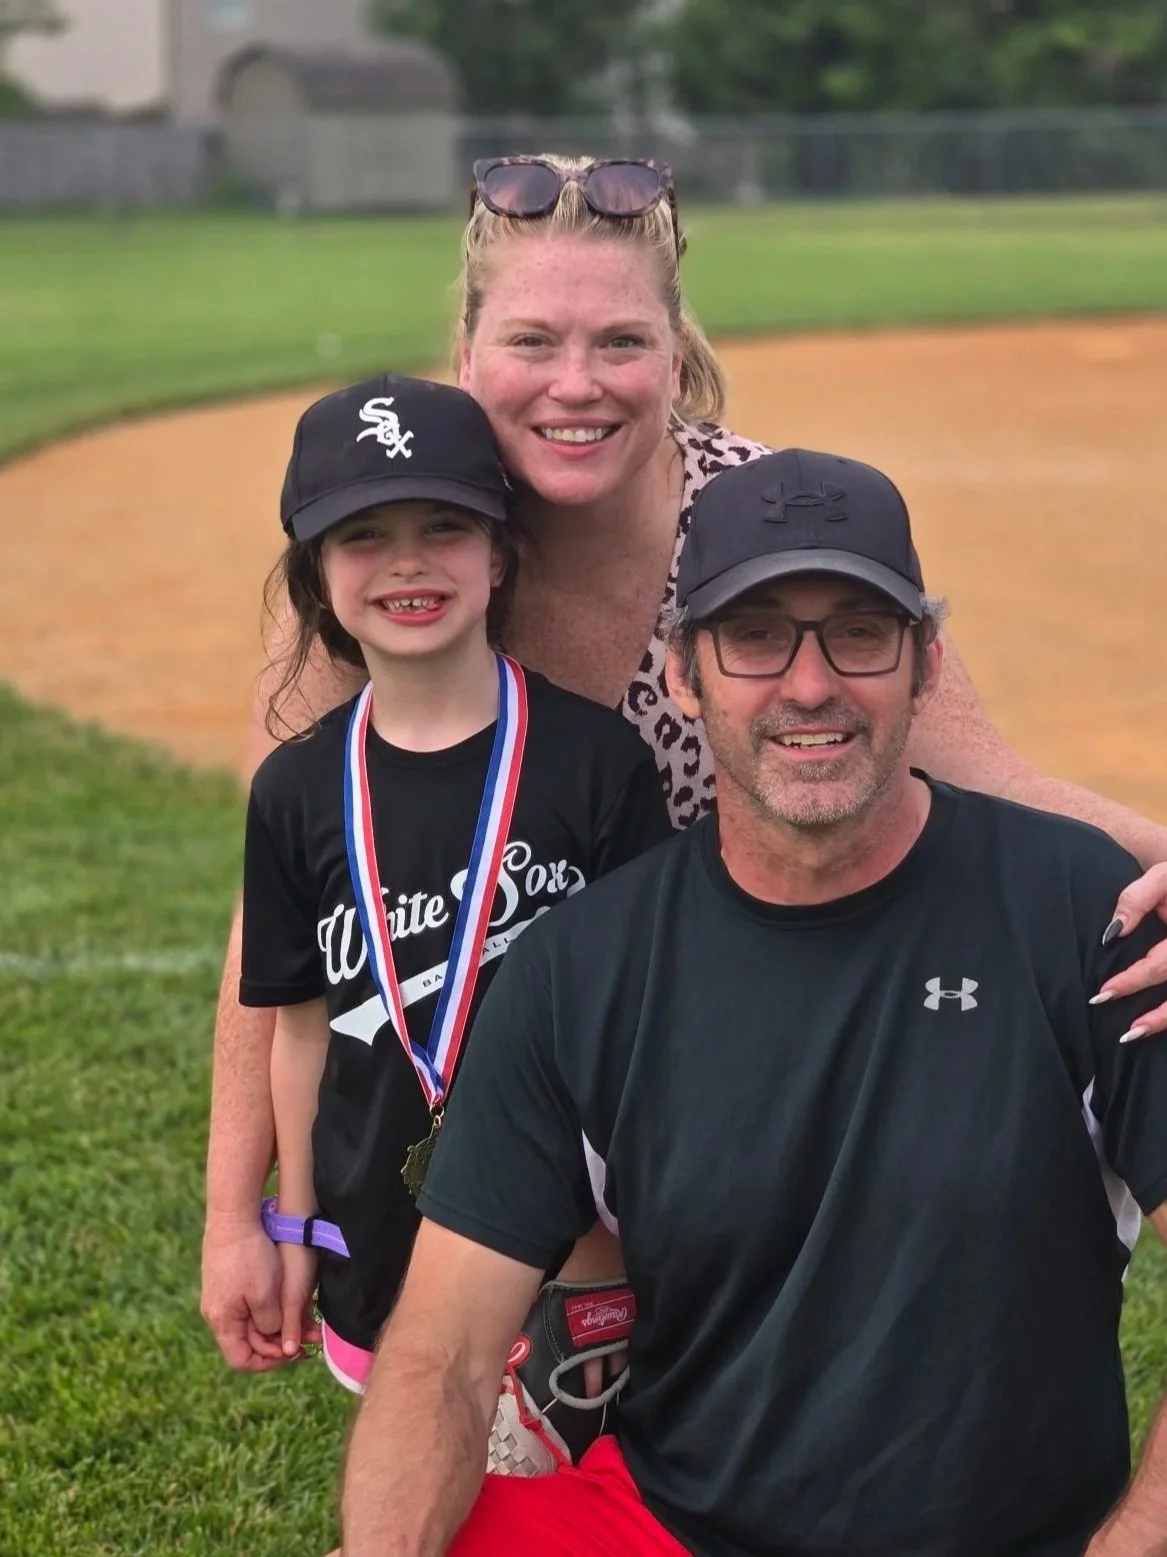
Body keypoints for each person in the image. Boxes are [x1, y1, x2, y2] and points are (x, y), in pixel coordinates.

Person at [201, 153, 1167, 1376]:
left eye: (620, 343)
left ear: (676, 348)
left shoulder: (763, 534)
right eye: (533, 340)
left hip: (723, 1099)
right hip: (465, 1125)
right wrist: (244, 1215)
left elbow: (996, 782)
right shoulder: (390, 562)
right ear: (465, 342)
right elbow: (281, 911)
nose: (576, 386)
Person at [339, 448, 1167, 1557]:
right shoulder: (583, 968)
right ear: (684, 673)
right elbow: (440, 1351)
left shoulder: (1083, 916)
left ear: (924, 665)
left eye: (860, 633)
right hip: (671, 1527)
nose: (811, 685)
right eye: (756, 635)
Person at [238, 373, 670, 1445]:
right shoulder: (296, 790)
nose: (409, 564)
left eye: (446, 526)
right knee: (424, 1486)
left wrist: (612, 1256)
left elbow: (649, 1037)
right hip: (374, 1233)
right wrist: (291, 1220)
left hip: (569, 1246)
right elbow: (297, 1028)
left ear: (499, 551)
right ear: (314, 573)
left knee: (573, 1499)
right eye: (364, 536)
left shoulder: (593, 764)